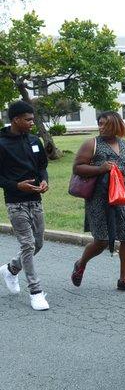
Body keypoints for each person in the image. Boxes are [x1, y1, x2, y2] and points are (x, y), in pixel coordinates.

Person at [70, 111, 125, 292]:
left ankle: (124, 279)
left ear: (116, 126)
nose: (101, 127)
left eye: (105, 124)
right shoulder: (92, 144)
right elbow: (77, 168)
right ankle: (80, 263)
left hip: (122, 198)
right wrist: (101, 168)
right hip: (99, 200)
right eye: (99, 123)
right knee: (101, 240)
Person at [0, 101, 50, 311]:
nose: (32, 123)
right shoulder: (1, 142)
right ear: (15, 120)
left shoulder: (34, 140)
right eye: (28, 120)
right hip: (15, 202)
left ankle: (11, 269)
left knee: (38, 243)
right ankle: (36, 292)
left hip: (35, 201)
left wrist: (45, 180)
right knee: (28, 244)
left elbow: (42, 167)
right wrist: (16, 185)